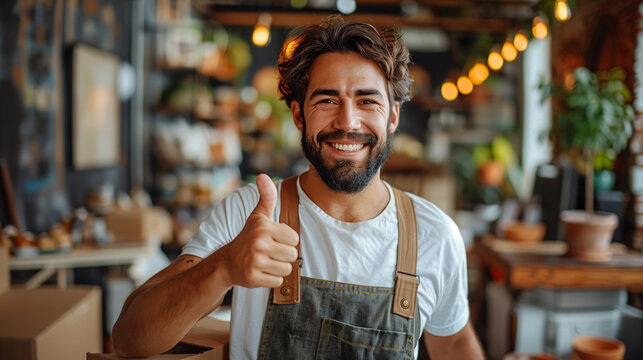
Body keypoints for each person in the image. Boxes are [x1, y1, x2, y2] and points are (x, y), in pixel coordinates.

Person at [113, 15, 484, 359]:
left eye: (367, 100)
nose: (347, 121)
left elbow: (453, 341)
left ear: (393, 117)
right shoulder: (249, 212)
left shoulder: (435, 235)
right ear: (298, 115)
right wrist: (223, 267)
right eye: (327, 100)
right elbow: (131, 339)